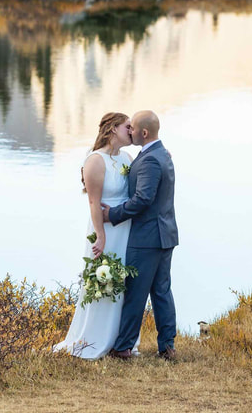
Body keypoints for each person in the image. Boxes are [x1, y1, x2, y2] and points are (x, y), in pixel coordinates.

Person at [53, 112, 134, 359]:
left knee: (123, 282)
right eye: (127, 126)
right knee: (104, 279)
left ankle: (121, 340)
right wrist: (100, 236)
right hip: (105, 228)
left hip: (126, 228)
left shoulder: (127, 158)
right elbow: (93, 202)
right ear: (113, 129)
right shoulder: (95, 160)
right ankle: (95, 338)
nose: (132, 131)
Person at [102, 110, 178, 361]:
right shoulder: (161, 154)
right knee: (161, 291)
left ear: (144, 133)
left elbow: (143, 199)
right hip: (164, 234)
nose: (130, 131)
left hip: (147, 237)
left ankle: (123, 347)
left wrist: (112, 214)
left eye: (132, 128)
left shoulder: (151, 160)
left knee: (136, 292)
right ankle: (167, 346)